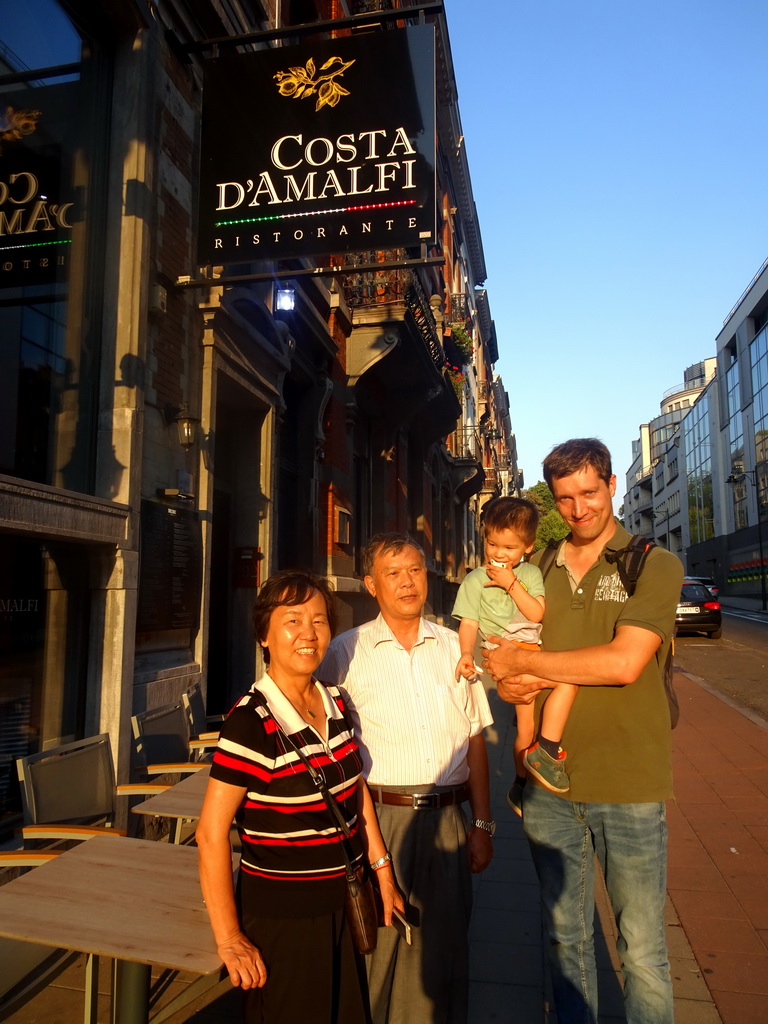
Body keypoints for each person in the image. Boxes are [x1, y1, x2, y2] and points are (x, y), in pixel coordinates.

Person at [483, 439, 683, 1024]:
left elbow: (623, 663)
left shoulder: (652, 562)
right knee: (564, 943)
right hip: (550, 788)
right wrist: (511, 678)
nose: (578, 509)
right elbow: (507, 658)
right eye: (565, 498)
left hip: (631, 781)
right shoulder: (537, 567)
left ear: (613, 485)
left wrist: (529, 666)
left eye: (589, 493)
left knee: (642, 951)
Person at [196, 569, 403, 1024]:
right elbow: (210, 834)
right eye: (293, 621)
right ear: (264, 635)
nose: (309, 634)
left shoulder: (335, 700)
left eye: (319, 620)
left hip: (344, 903)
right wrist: (229, 937)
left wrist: (381, 869)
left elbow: (354, 792)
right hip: (283, 918)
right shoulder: (251, 721)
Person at [319, 533, 494, 1024]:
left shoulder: (454, 648)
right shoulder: (344, 653)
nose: (407, 582)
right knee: (376, 950)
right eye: (393, 573)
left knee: (445, 951)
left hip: (448, 822)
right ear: (371, 585)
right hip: (379, 820)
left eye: (415, 570)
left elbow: (475, 737)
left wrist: (483, 825)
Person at [451, 495, 578, 812]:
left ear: (528, 547)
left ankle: (520, 786)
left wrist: (512, 584)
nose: (498, 554)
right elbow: (469, 622)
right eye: (492, 545)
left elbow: (536, 613)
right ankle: (547, 751)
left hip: (529, 651)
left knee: (525, 728)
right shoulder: (475, 580)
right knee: (569, 680)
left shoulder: (532, 575)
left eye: (509, 548)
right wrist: (466, 653)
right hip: (505, 654)